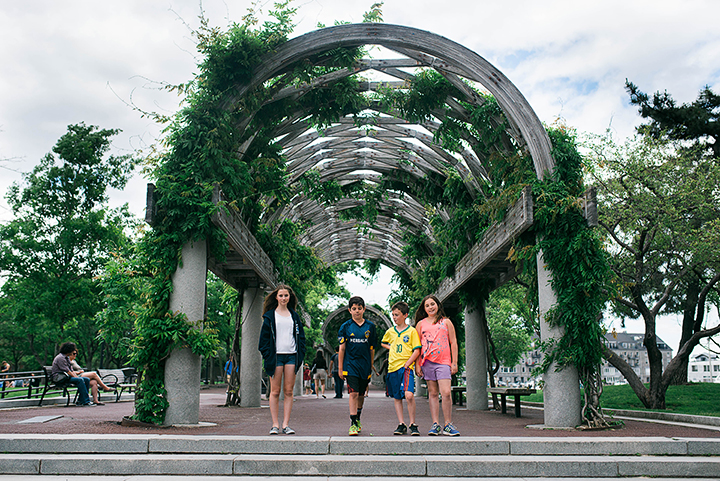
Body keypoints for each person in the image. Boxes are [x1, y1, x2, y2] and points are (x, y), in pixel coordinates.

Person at [257, 284, 306, 435]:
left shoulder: (295, 317)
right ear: (276, 297)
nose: (283, 298)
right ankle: (274, 425)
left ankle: (286, 424)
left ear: (289, 297)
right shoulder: (270, 316)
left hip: (291, 355)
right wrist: (268, 354)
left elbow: (301, 338)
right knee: (275, 391)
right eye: (281, 295)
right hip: (275, 357)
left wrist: (300, 354)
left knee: (289, 391)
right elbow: (263, 340)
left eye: (286, 295)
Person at [415, 295, 460, 436]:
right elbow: (416, 347)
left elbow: (453, 342)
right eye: (427, 305)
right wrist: (417, 365)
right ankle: (435, 424)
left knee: (446, 393)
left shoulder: (446, 322)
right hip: (427, 362)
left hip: (444, 362)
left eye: (432, 304)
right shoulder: (420, 324)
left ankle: (448, 424)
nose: (430, 307)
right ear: (424, 308)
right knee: (433, 393)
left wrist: (454, 362)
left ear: (438, 305)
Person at [337, 296, 377, 436]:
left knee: (361, 394)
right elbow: (342, 349)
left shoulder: (370, 327)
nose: (357, 311)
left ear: (364, 309)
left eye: (359, 308)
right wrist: (340, 368)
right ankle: (353, 423)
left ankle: (358, 417)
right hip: (351, 364)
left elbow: (372, 348)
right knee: (353, 393)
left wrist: (371, 365)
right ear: (349, 310)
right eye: (354, 309)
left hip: (364, 365)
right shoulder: (345, 327)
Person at [381, 301, 421, 435]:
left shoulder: (411, 331)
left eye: (397, 315)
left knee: (409, 395)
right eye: (393, 315)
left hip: (406, 368)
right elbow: (383, 342)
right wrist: (390, 347)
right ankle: (401, 423)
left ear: (405, 315)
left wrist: (407, 363)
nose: (394, 317)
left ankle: (413, 423)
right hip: (392, 367)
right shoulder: (390, 332)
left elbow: (417, 350)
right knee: (397, 397)